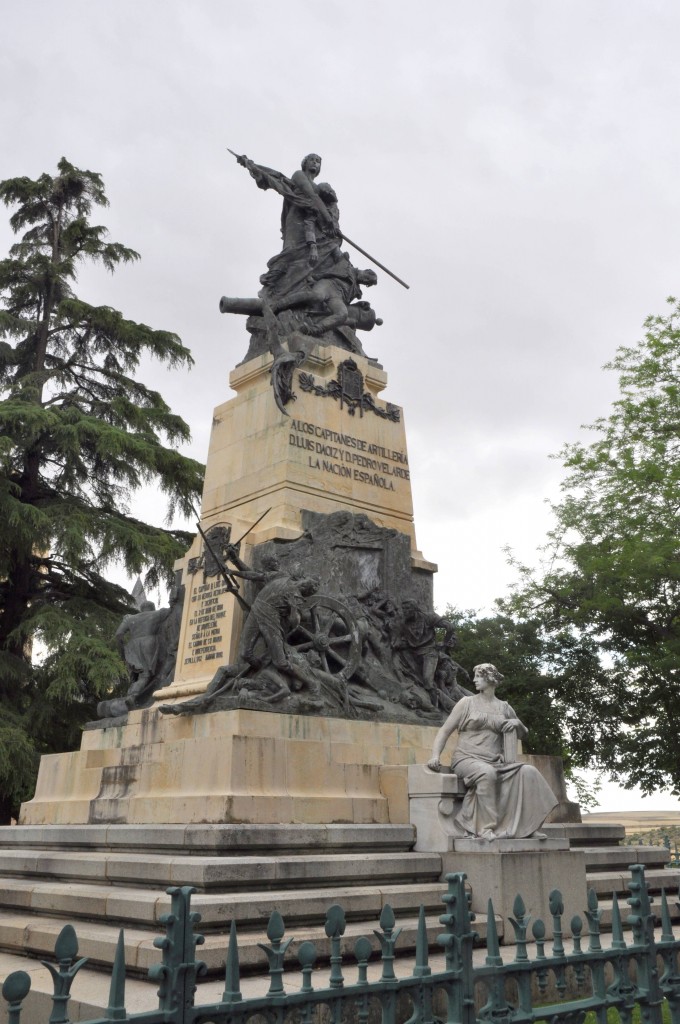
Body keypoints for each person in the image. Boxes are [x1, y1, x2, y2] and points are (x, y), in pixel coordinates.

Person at [427, 663, 558, 840]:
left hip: (496, 761)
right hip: (466, 759)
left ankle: (529, 827)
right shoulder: (466, 703)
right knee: (486, 773)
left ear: (490, 679)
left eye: (479, 676)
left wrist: (517, 724)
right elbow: (444, 731)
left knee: (529, 772)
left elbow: (523, 733)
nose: (474, 680)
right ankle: (485, 828)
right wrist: (435, 756)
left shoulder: (504, 707)